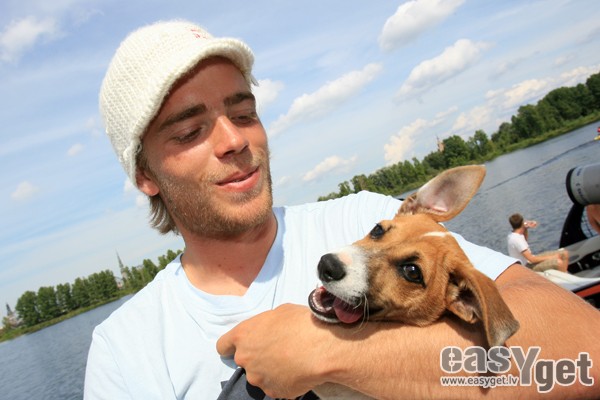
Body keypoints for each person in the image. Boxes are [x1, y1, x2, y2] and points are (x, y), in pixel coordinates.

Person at [85, 19, 600, 399]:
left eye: (244, 113)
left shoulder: (372, 225)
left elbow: (586, 349)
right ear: (145, 175)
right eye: (190, 131)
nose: (234, 140)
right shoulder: (123, 352)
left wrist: (330, 351)